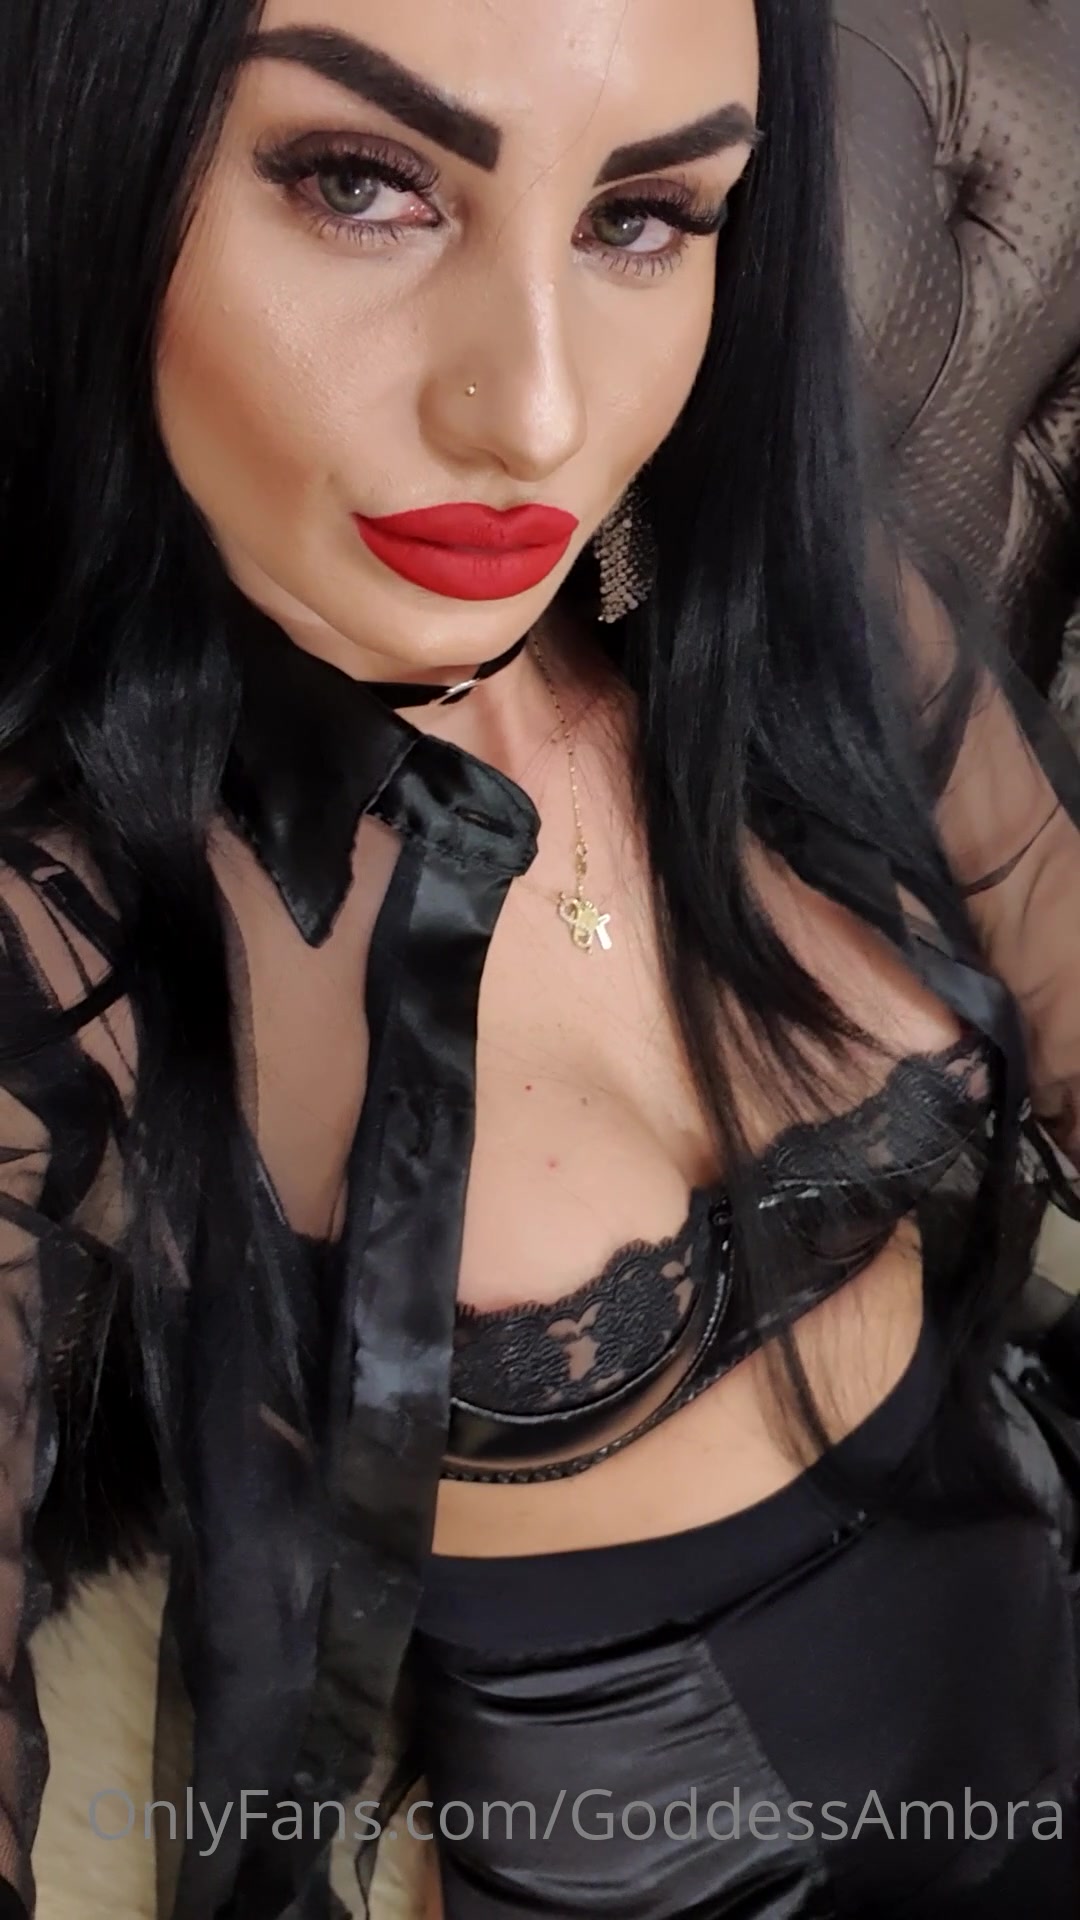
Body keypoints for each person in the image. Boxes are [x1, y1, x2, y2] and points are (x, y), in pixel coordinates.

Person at [3, 0, 1080, 1916]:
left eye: (642, 217)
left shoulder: (801, 616)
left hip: (1028, 1593)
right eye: (362, 183)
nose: (539, 414)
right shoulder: (51, 928)